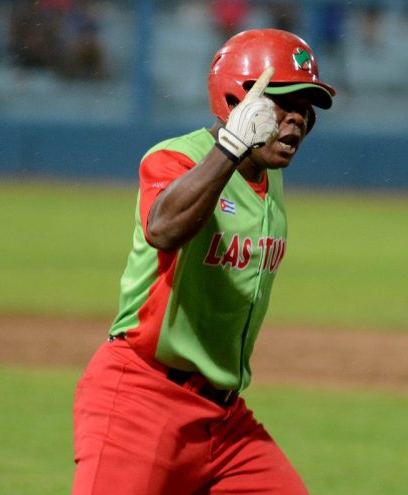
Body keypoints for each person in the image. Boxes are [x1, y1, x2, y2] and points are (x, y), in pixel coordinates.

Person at [71, 29, 335, 494]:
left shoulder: (269, 179)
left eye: (307, 106)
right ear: (237, 98)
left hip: (226, 420)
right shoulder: (179, 157)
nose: (297, 118)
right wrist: (229, 148)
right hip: (142, 398)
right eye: (282, 100)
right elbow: (163, 229)